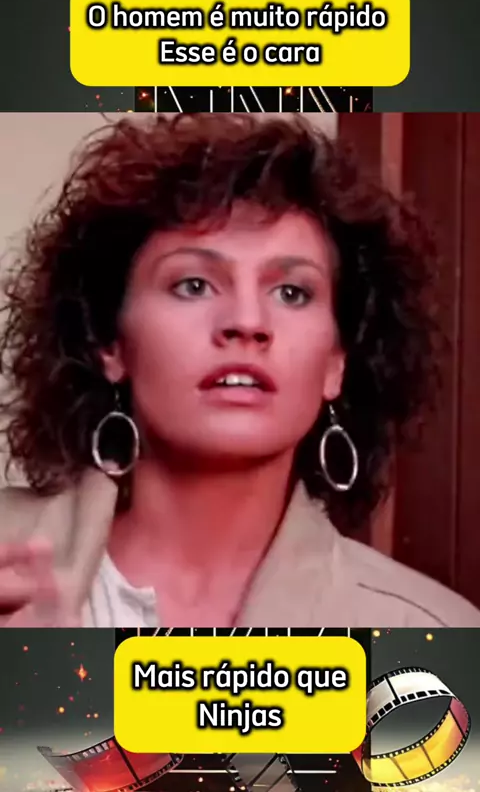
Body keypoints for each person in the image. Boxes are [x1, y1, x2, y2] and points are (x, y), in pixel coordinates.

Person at [0, 112, 478, 628]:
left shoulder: (431, 629)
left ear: (335, 364)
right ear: (110, 344)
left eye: (292, 293)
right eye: (194, 285)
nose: (247, 322)